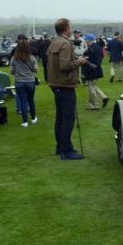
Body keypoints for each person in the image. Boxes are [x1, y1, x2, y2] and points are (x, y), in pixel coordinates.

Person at [47, 18, 88, 160]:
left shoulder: (55, 41)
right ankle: (66, 150)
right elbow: (64, 66)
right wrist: (79, 62)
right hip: (64, 84)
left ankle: (60, 146)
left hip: (56, 83)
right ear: (66, 28)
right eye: (70, 26)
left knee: (61, 117)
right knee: (68, 117)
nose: (71, 29)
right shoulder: (64, 43)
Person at [10, 35, 39, 127]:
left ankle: (25, 121)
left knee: (22, 101)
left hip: (19, 81)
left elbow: (12, 71)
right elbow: (36, 70)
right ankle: (33, 118)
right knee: (31, 100)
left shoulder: (14, 58)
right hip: (30, 81)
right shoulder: (32, 58)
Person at [82, 33, 108, 110]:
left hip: (91, 70)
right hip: (97, 69)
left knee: (91, 88)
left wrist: (84, 72)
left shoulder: (90, 49)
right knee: (94, 86)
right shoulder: (98, 47)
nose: (85, 41)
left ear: (89, 40)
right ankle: (104, 97)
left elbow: (87, 62)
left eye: (86, 39)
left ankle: (94, 105)